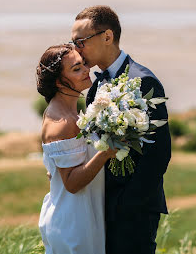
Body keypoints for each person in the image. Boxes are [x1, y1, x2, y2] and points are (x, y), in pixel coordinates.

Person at [71, 5, 171, 254]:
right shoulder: (95, 87)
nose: (76, 50)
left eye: (81, 41)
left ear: (107, 36)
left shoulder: (144, 81)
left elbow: (159, 155)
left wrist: (127, 205)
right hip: (102, 207)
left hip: (134, 211)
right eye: (73, 43)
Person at [36, 43, 117, 254]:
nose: (86, 70)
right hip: (74, 224)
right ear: (59, 82)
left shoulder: (67, 111)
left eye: (83, 65)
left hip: (82, 214)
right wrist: (107, 152)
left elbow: (57, 168)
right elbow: (71, 183)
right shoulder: (61, 122)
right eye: (76, 69)